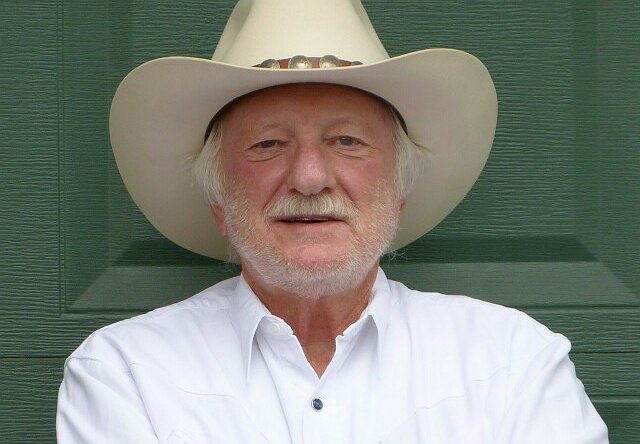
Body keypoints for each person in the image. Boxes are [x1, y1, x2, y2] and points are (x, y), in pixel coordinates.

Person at [57, 1, 608, 442]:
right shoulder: (126, 373)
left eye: (346, 141)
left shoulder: (512, 363)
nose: (310, 177)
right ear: (218, 200)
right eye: (268, 144)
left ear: (399, 192)